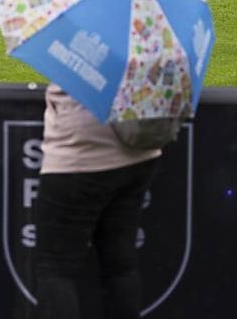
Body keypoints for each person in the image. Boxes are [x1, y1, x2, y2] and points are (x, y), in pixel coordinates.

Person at [33, 83, 162, 319]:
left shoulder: (82, 44)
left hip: (80, 154)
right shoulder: (145, 45)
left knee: (56, 268)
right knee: (120, 265)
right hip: (138, 149)